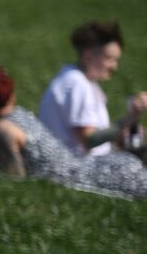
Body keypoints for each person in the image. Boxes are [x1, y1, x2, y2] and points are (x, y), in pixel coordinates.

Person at [0, 64, 147, 198]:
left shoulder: (2, 128)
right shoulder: (21, 113)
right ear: (12, 95)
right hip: (108, 165)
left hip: (96, 178)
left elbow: (16, 179)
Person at [38, 20, 146, 158]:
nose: (114, 67)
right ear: (88, 57)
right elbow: (89, 140)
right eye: (110, 59)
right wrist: (130, 117)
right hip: (81, 168)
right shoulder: (77, 85)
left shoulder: (76, 78)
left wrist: (124, 130)